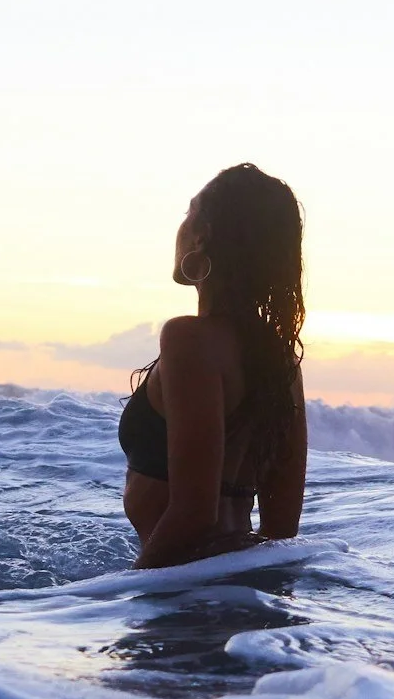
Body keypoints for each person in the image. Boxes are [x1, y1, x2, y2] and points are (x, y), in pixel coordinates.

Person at [119, 163, 308, 567]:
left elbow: (194, 514)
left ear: (202, 236)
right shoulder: (280, 360)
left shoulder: (189, 340)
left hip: (180, 589)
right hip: (235, 588)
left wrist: (123, 592)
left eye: (188, 213)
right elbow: (282, 529)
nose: (181, 227)